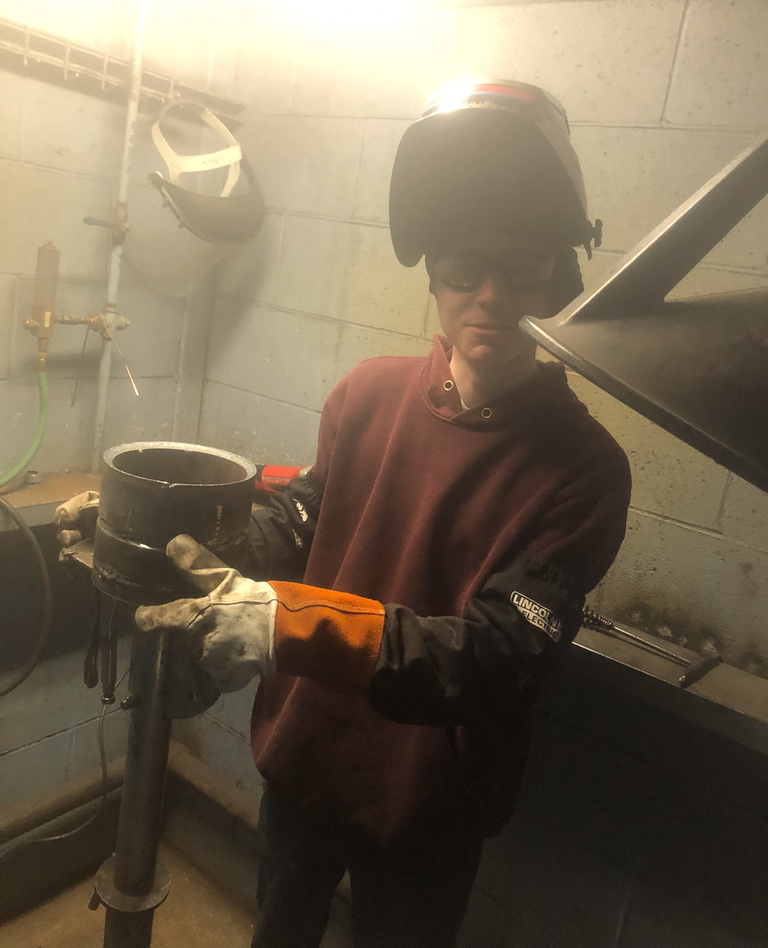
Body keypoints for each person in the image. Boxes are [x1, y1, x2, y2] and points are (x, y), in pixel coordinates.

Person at [57, 80, 631, 948]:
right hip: (306, 757)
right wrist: (146, 539)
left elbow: (492, 658)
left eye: (523, 268)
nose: (489, 294)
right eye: (462, 266)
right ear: (432, 273)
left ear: (560, 279)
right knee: (278, 931)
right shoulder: (367, 394)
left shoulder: (585, 470)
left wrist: (285, 626)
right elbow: (298, 524)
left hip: (428, 799)